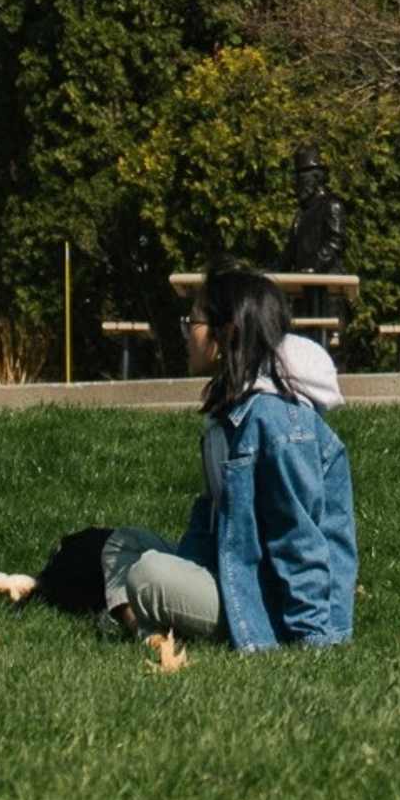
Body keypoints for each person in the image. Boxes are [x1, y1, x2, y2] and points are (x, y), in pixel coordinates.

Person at [93, 270, 356, 652]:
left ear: (227, 332)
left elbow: (299, 536)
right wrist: (187, 572)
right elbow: (212, 514)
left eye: (193, 323)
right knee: (122, 545)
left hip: (268, 605)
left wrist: (313, 639)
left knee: (147, 575)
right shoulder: (230, 413)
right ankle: (154, 630)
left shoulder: (276, 421)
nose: (187, 334)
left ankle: (154, 627)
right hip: (235, 571)